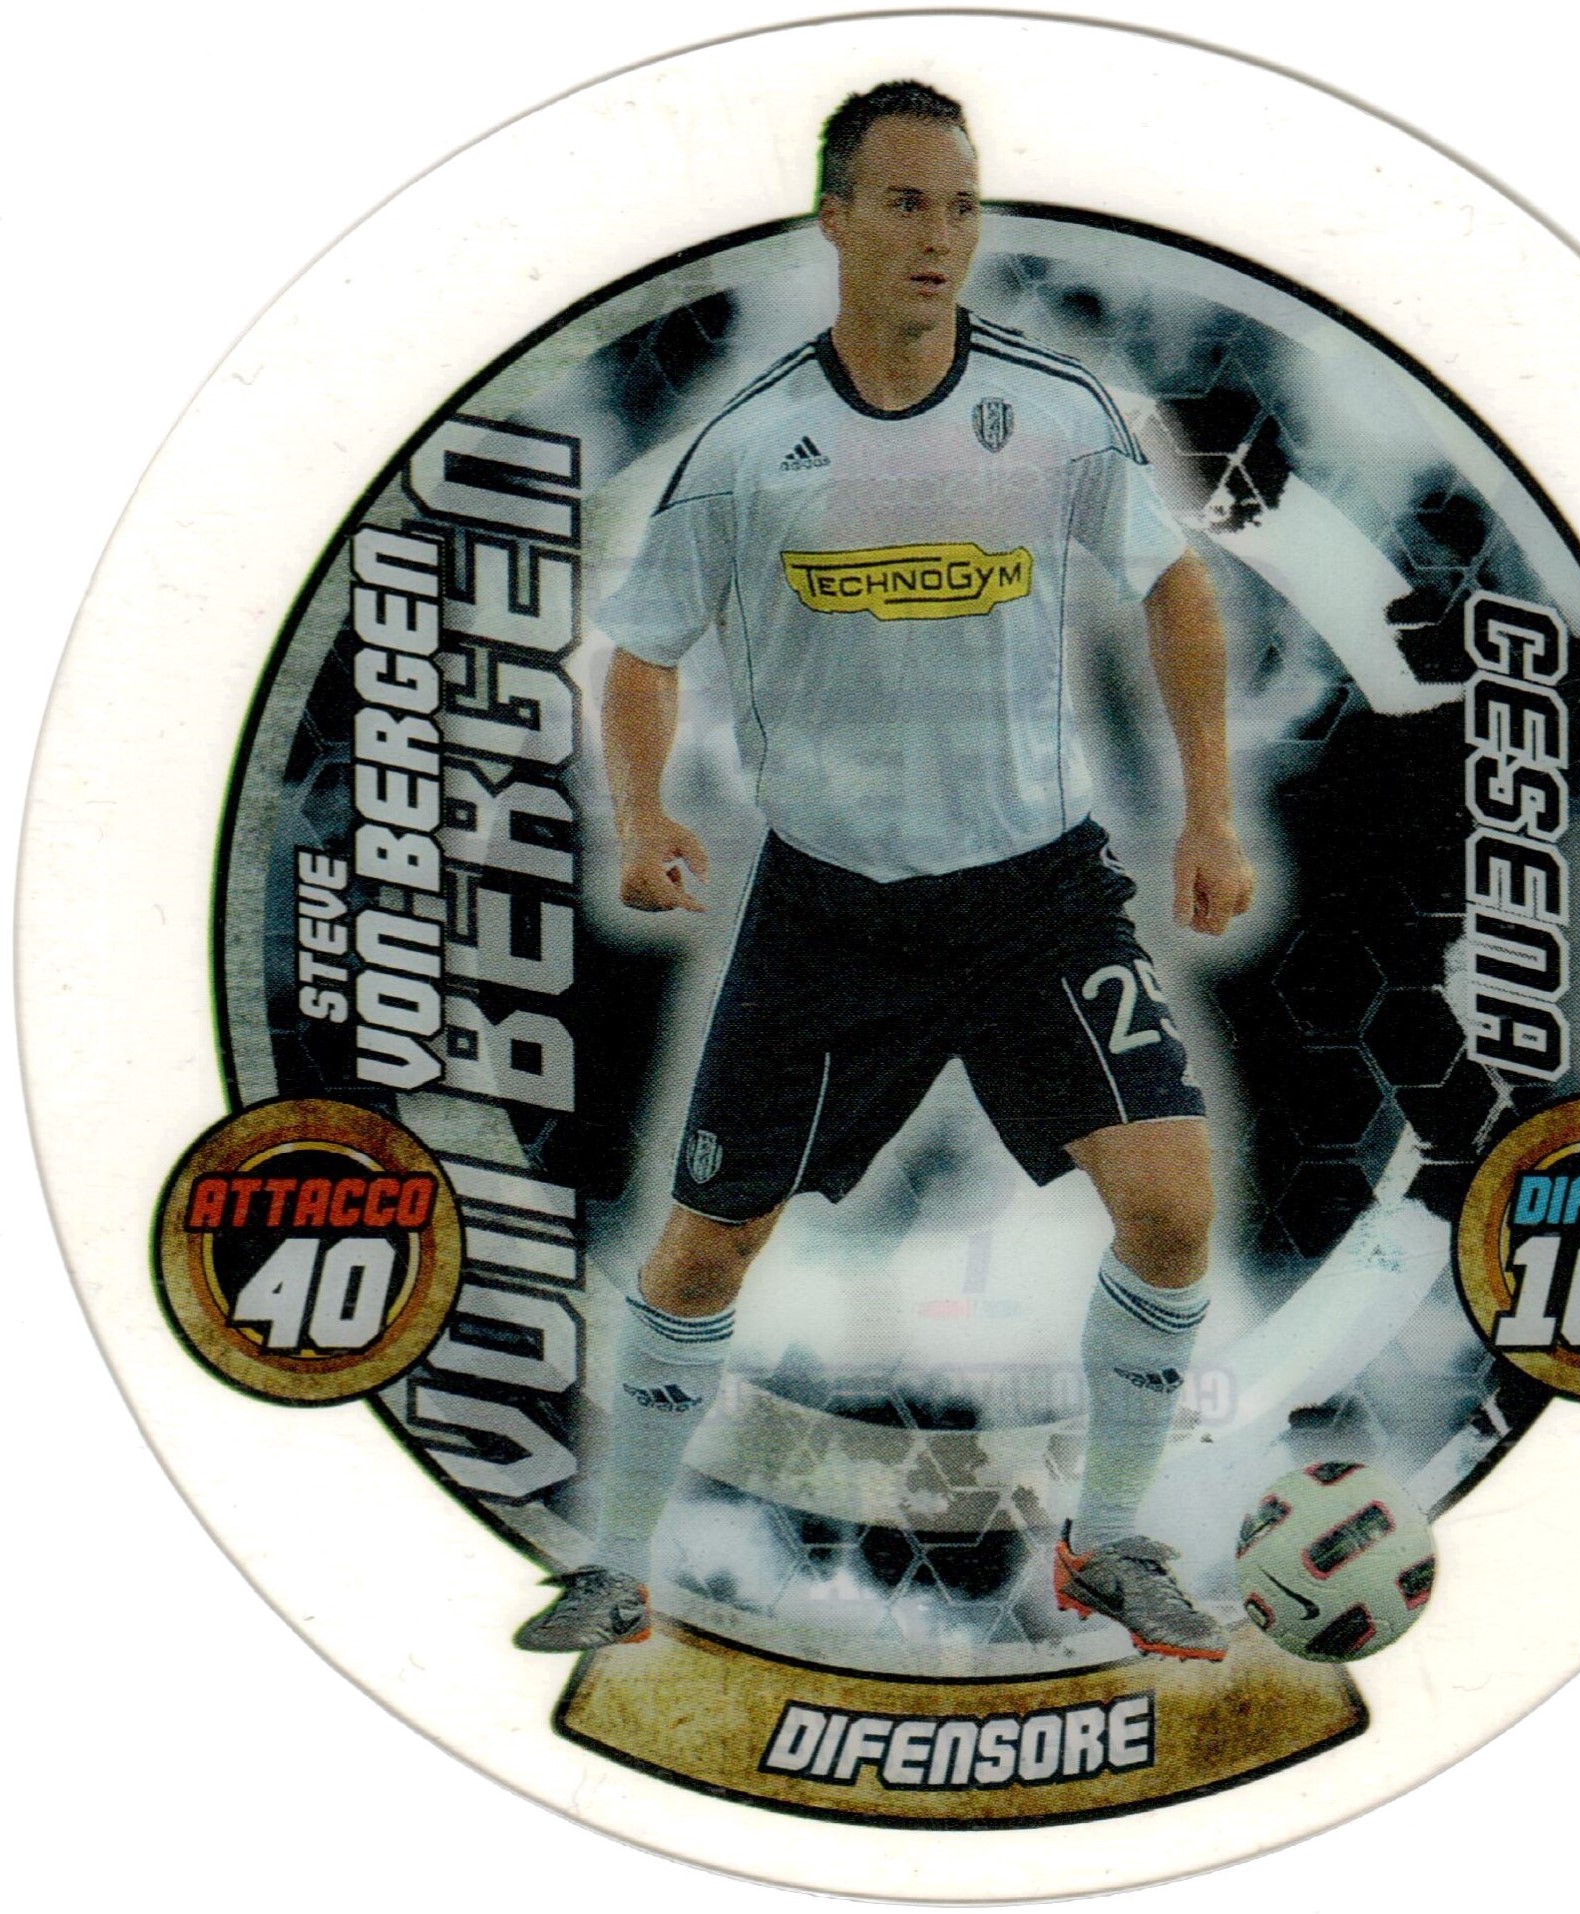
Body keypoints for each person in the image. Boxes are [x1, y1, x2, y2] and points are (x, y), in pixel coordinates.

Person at [517, 78, 1254, 1662]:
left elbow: (1173, 589)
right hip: (828, 913)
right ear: (834, 218)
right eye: (906, 202)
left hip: (1036, 899)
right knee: (703, 1252)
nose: (940, 236)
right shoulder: (749, 444)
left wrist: (1207, 813)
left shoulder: (1053, 413)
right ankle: (617, 1563)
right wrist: (640, 817)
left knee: (1172, 1211)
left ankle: (1109, 1543)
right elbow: (642, 653)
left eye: (962, 206)